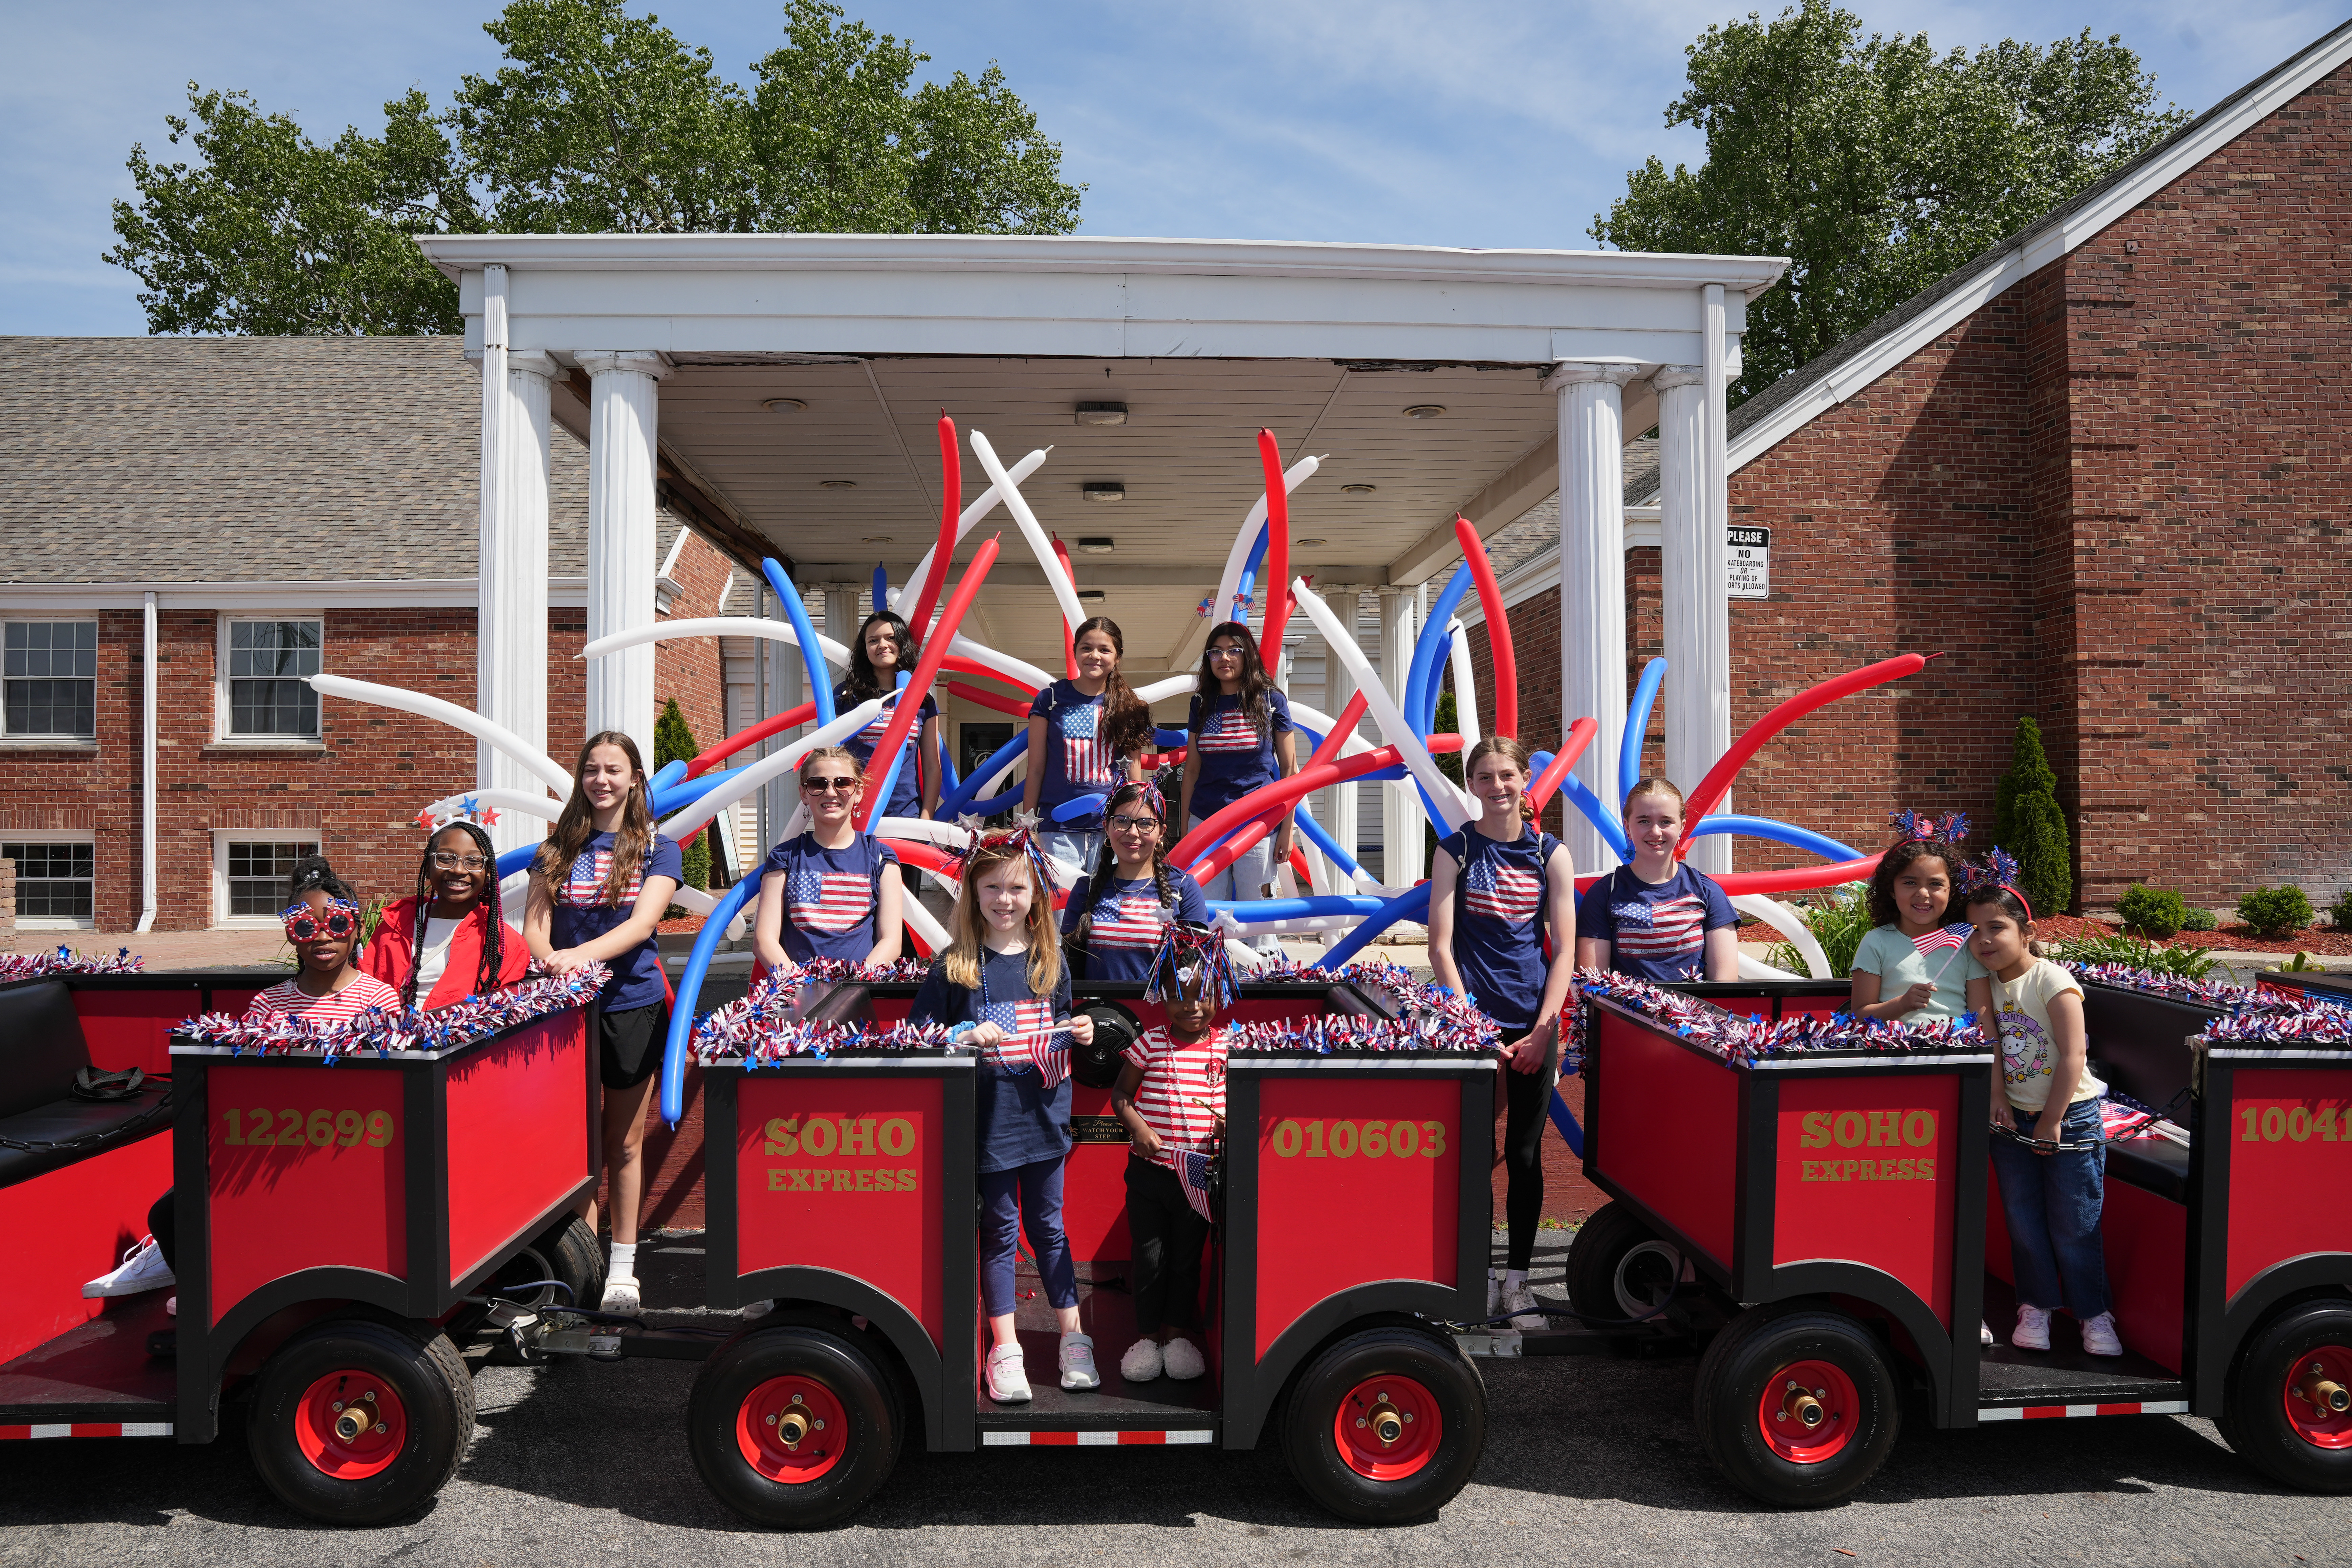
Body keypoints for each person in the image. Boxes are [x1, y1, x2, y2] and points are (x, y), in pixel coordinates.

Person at [88, 857, 395, 1314]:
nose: (323, 936)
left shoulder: (379, 1000)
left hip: (345, 1144)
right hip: (271, 1140)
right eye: (305, 927)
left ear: (354, 928)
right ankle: (202, 1298)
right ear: (291, 934)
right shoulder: (268, 1004)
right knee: (171, 1211)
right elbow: (243, 1080)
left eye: (335, 923)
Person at [907, 821, 1099, 1403]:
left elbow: (1067, 1021)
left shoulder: (1052, 961)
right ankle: (1004, 1346)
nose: (1004, 900)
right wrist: (962, 1034)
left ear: (1036, 895)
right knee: (999, 1233)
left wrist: (1084, 1029)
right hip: (987, 1126)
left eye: (1016, 889)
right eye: (991, 888)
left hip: (1043, 1122)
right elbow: (918, 1034)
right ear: (973, 895)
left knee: (1049, 1229)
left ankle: (1074, 1337)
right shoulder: (953, 965)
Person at [526, 731, 683, 1317]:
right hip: (563, 1013)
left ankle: (622, 1268)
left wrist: (577, 957)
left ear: (635, 778)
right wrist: (550, 960)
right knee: (573, 1147)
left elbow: (642, 926)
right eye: (591, 769)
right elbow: (535, 927)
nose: (601, 780)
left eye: (613, 770)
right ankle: (580, 1269)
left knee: (621, 1142)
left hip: (629, 1008)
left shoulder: (658, 849)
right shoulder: (555, 849)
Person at [1427, 737, 1578, 1332]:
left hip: (1532, 1026)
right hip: (1473, 1029)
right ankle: (1478, 1279)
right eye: (1485, 777)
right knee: (1472, 1155)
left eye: (1506, 775)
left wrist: (1546, 1031)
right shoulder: (1455, 849)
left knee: (1522, 1154)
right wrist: (1469, 1026)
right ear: (1472, 784)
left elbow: (1563, 949)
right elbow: (1440, 946)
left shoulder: (1549, 852)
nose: (1497, 787)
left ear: (1524, 781)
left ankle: (1518, 1283)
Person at [1966, 874, 2121, 1358]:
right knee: (2024, 1221)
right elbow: (1989, 1043)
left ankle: (2094, 1314)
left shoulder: (2052, 980)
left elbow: (2075, 1054)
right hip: (2012, 1121)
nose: (1984, 941)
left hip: (2069, 1119)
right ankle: (2036, 1305)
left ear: (2027, 932)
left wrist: (2052, 1119)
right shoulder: (1985, 984)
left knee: (2075, 1223)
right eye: (1974, 932)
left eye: (1996, 928)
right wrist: (1998, 1099)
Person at [1111, 923, 1228, 1382]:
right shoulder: (1150, 1044)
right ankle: (1147, 1338)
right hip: (1149, 1176)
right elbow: (1121, 1097)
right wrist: (1138, 1128)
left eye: (1203, 997)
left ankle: (1178, 1335)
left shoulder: (1228, 1047)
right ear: (1162, 995)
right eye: (1181, 997)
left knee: (1187, 1259)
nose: (1194, 1008)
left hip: (1198, 1177)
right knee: (1150, 1255)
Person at [1176, 621, 1297, 945]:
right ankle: (1208, 990)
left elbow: (1290, 769)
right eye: (1215, 651)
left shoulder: (1271, 700)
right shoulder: (1201, 704)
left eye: (1233, 650)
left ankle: (1258, 988)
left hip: (1258, 825)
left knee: (1257, 917)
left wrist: (1287, 830)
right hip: (1207, 823)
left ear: (1249, 656)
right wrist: (1186, 828)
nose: (1224, 658)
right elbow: (1192, 770)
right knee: (1203, 916)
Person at [751, 748, 905, 979]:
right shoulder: (784, 857)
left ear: (859, 792)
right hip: (797, 995)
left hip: (860, 993)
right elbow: (764, 940)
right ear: (804, 794)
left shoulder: (881, 858)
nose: (831, 792)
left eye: (843, 783)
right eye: (817, 784)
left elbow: (891, 942)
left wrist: (853, 985)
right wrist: (800, 986)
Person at [1573, 778, 1741, 984]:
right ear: (1627, 826)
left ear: (1682, 827)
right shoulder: (1604, 893)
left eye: (1666, 821)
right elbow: (1594, 984)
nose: (1655, 832)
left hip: (1697, 1015)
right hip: (1627, 1015)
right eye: (1644, 821)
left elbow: (1725, 984)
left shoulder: (1707, 891)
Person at [1021, 616, 1149, 876]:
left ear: (1118, 656)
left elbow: (1134, 770)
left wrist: (1137, 823)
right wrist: (1028, 826)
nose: (1095, 656)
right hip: (1057, 830)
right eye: (1086, 648)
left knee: (1107, 913)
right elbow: (1035, 768)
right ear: (1075, 652)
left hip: (1113, 829)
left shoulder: (1131, 705)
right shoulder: (1050, 699)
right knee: (1061, 915)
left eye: (1105, 650)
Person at [362, 816, 531, 1010]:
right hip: (385, 1036)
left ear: (488, 873)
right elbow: (364, 987)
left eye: (474, 861)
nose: (459, 870)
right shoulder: (395, 924)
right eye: (445, 859)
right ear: (427, 868)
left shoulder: (505, 944)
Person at [1849, 811, 1991, 1024]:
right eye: (1910, 883)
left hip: (1956, 1053)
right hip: (1893, 1052)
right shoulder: (1877, 942)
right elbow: (1859, 1015)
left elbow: (1983, 1020)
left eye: (1935, 884)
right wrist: (1902, 1004)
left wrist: (1991, 1058)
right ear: (1892, 890)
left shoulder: (1966, 942)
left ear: (1951, 892)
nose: (1923, 894)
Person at [1062, 781, 1209, 982]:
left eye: (1146, 824)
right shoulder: (1085, 889)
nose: (1132, 832)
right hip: (1098, 1013)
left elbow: (1193, 973)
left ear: (1161, 832)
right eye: (1122, 821)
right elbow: (1071, 971)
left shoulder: (1185, 887)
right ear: (1106, 827)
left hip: (1161, 1012)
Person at [836, 609, 941, 837]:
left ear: (902, 643)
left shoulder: (923, 701)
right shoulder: (846, 695)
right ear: (865, 650)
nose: (882, 645)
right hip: (856, 815)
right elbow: (831, 754)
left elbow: (933, 766)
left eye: (891, 638)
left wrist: (926, 819)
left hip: (906, 817)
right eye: (873, 640)